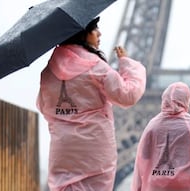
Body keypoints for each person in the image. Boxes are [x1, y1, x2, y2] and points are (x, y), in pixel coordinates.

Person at [36, 16, 146, 191]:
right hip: (94, 147)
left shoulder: (48, 71)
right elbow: (127, 95)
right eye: (94, 29)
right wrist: (128, 64)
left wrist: (69, 117)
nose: (99, 33)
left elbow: (44, 105)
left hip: (63, 147)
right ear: (83, 34)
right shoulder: (96, 67)